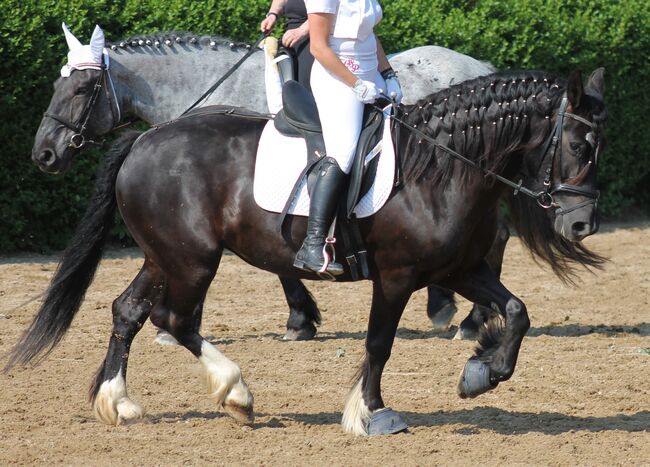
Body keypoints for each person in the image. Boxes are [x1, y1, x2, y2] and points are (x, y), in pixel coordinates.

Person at [293, 0, 403, 276]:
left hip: (370, 75)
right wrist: (354, 84)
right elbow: (318, 47)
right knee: (343, 154)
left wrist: (388, 74)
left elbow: (368, 34)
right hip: (337, 79)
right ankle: (312, 244)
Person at [260, 0, 314, 91]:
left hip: (316, 36)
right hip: (290, 34)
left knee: (305, 79)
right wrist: (273, 14)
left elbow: (328, 11)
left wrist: (301, 31)